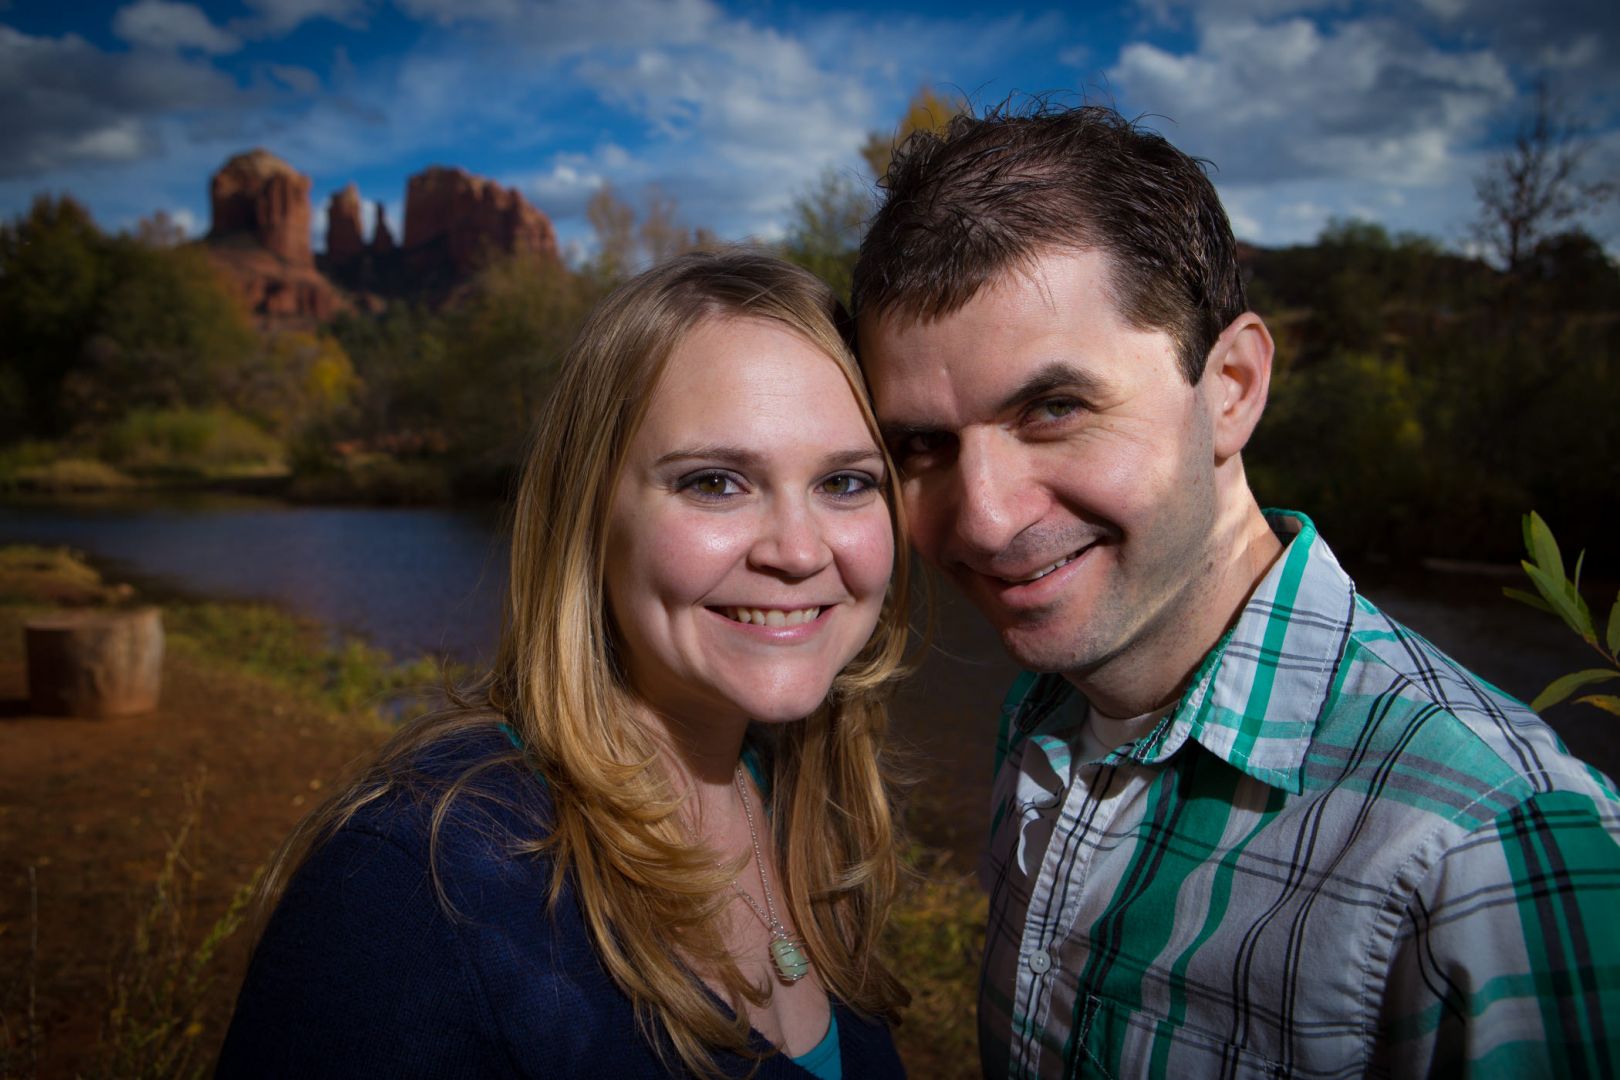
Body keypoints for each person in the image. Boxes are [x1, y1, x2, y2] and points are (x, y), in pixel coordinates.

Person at [853, 103, 1620, 1078]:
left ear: (1233, 387)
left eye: (1054, 408)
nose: (986, 520)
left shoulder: (1490, 844)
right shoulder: (1044, 714)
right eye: (922, 445)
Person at [217, 249, 912, 1078]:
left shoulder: (801, 802)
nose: (798, 551)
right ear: (586, 510)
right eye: (715, 482)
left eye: (845, 482)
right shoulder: (418, 884)